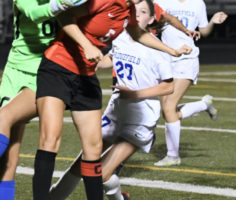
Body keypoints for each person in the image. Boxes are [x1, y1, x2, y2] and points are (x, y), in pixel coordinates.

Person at [37, 0, 191, 199]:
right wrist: (87, 54)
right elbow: (108, 59)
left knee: (100, 172)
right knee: (85, 161)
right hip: (116, 111)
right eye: (136, 10)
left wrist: (171, 53)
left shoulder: (157, 51)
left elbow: (168, 87)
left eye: (143, 12)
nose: (136, 14)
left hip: (140, 118)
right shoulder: (121, 37)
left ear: (152, 19)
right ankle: (54, 196)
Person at [0, 0, 88, 199]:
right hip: (14, 71)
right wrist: (62, 5)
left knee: (3, 117)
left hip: (47, 72)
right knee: (7, 161)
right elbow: (34, 13)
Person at [153, 0, 228, 167]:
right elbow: (154, 24)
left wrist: (212, 22)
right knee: (167, 111)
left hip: (187, 59)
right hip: (165, 59)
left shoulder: (197, 3)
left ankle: (173, 156)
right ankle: (203, 104)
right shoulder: (161, 1)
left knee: (169, 107)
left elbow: (204, 31)